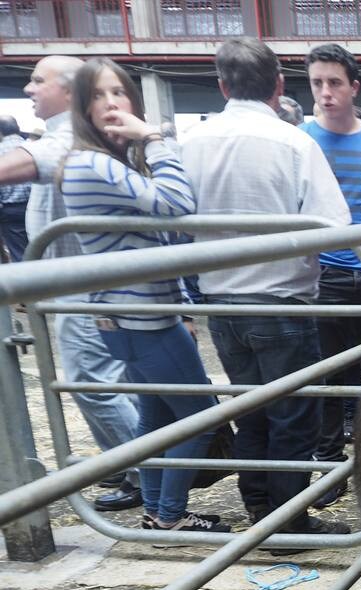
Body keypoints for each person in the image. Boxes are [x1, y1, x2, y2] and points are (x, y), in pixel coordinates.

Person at [181, 37, 351, 536]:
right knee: (292, 414)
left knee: (251, 412)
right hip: (282, 300)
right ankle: (289, 520)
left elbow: (176, 219)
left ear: (221, 85)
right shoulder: (294, 142)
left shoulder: (191, 143)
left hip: (221, 302)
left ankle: (260, 509)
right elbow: (334, 225)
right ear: (279, 85)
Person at [59, 58, 228, 538]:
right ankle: (171, 513)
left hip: (138, 315)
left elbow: (149, 238)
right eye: (98, 95)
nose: (112, 104)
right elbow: (176, 205)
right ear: (82, 108)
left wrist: (179, 307)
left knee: (155, 421)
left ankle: (157, 509)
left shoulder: (105, 161)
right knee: (198, 419)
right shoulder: (91, 162)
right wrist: (155, 137)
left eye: (119, 93)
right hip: (141, 320)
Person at [0, 55, 143, 512]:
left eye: (38, 81)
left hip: (87, 289)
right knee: (102, 382)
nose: (29, 89)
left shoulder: (72, 138)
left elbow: (35, 160)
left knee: (92, 383)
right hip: (75, 286)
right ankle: (133, 467)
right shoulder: (71, 136)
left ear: (68, 89)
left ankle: (146, 468)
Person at [300, 43, 361, 510]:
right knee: (329, 379)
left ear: (353, 87)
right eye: (317, 84)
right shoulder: (301, 139)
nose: (326, 93)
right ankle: (330, 469)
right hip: (324, 273)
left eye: (334, 83)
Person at [0, 115, 30, 263]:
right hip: (35, 206)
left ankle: (28, 283)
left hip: (10, 211)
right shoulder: (31, 146)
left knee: (19, 252)